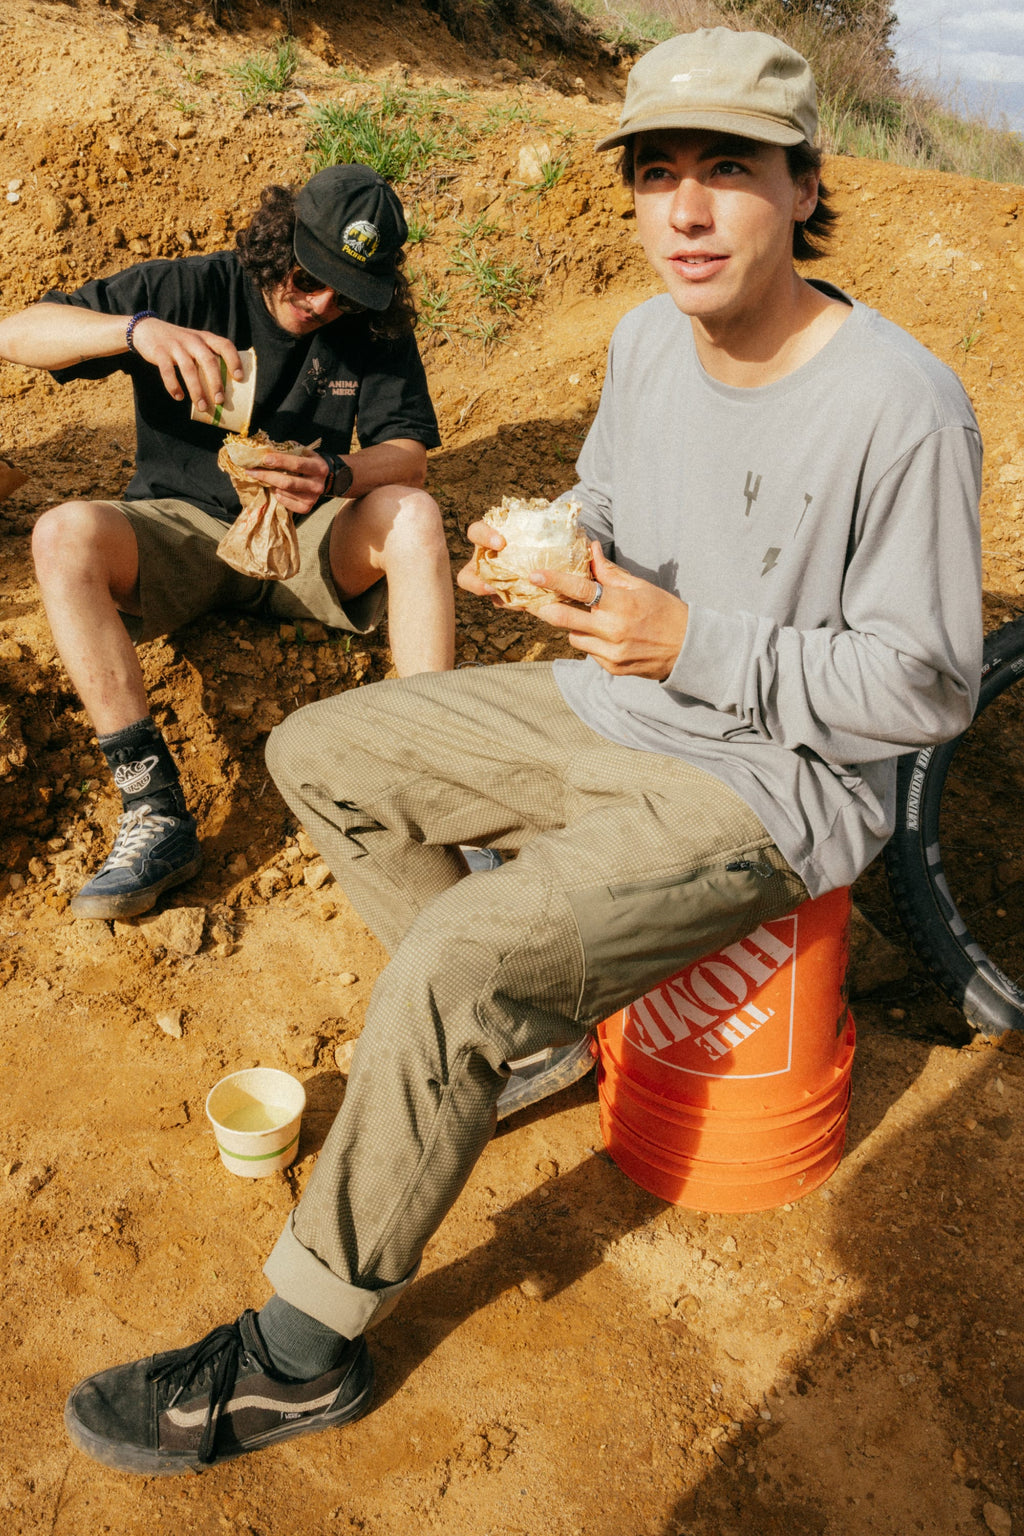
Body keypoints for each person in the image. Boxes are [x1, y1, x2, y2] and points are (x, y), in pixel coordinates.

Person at [62, 28, 982, 1474]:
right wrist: (543, 553)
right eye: (657, 172)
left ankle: (301, 1350)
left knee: (457, 959)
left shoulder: (898, 404)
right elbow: (606, 503)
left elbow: (928, 687)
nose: (683, 210)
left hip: (767, 784)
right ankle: (530, 1045)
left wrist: (693, 642)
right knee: (322, 754)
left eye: (727, 172)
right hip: (609, 706)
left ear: (806, 188)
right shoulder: (637, 343)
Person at [0, 163, 452, 921]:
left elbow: (409, 455)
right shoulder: (193, 288)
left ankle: (438, 786)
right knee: (62, 533)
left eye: (346, 293)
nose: (321, 306)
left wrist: (336, 472)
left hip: (307, 538)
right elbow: (14, 332)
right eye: (309, 280)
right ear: (280, 243)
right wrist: (137, 332)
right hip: (177, 531)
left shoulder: (369, 325)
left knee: (414, 515)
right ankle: (154, 812)